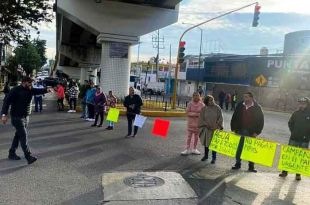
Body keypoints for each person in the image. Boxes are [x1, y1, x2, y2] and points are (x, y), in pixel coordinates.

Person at [1, 76, 50, 164]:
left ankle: (12, 153)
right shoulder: (15, 90)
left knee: (18, 135)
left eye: (31, 83)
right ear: (24, 82)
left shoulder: (30, 89)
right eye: (29, 83)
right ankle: (28, 156)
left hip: (25, 117)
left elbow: (38, 91)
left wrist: (47, 90)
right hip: (17, 117)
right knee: (23, 136)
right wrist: (4, 114)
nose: (31, 84)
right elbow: (6, 102)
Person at [231, 92, 264, 172]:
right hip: (240, 130)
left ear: (251, 98)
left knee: (250, 149)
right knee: (239, 148)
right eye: (244, 97)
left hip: (251, 132)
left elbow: (261, 121)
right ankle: (237, 164)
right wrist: (234, 128)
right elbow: (234, 117)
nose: (245, 98)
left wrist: (257, 132)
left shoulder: (257, 107)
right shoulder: (240, 105)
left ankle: (251, 166)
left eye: (246, 97)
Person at [279, 97, 310, 181]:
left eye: (303, 103)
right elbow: (290, 123)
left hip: (304, 140)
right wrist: (293, 131)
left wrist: (307, 135)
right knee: (289, 155)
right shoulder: (295, 113)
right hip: (293, 138)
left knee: (301, 157)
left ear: (307, 104)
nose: (301, 105)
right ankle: (285, 172)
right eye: (300, 103)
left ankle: (298, 174)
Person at [198, 95, 223, 163]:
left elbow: (220, 118)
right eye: (210, 100)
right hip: (207, 129)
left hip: (215, 129)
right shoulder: (204, 108)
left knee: (214, 144)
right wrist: (206, 125)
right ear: (207, 101)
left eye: (213, 100)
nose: (212, 101)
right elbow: (201, 118)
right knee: (206, 143)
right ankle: (206, 156)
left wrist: (216, 126)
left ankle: (214, 158)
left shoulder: (217, 108)